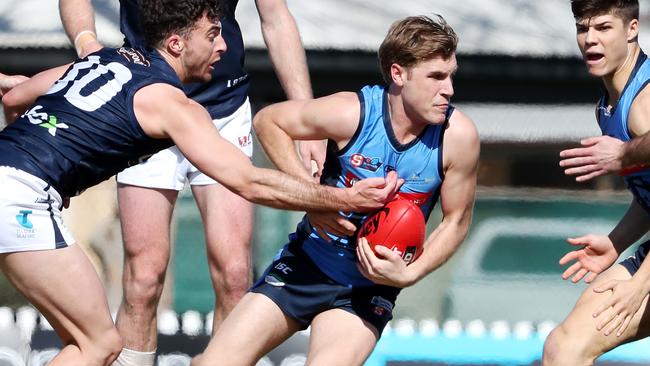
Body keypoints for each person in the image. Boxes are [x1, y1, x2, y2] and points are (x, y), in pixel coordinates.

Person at [0, 0, 401, 364]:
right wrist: (339, 197)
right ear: (176, 43)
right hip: (21, 200)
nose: (224, 45)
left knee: (90, 338)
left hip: (13, 179)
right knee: (99, 344)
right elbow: (248, 182)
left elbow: (15, 98)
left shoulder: (101, 60)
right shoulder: (171, 105)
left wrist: (44, 163)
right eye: (212, 35)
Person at [192, 15, 479, 366]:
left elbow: (457, 221)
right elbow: (269, 122)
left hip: (367, 287)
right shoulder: (352, 113)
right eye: (436, 77)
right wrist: (311, 199)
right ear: (398, 74)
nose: (448, 89)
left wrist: (410, 273)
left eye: (451, 76)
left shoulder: (458, 137)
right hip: (307, 263)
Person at [543, 1, 650, 365]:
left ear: (631, 29)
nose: (590, 40)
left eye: (603, 28)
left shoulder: (644, 101)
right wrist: (615, 242)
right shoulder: (609, 105)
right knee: (564, 348)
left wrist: (640, 284)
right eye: (582, 28)